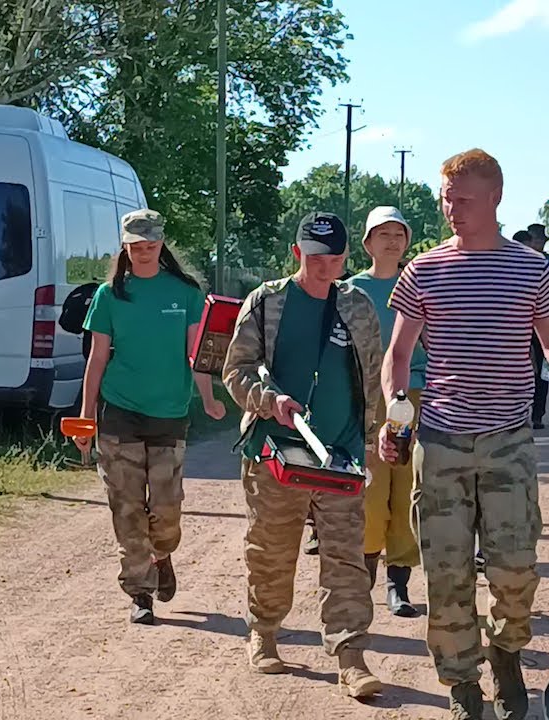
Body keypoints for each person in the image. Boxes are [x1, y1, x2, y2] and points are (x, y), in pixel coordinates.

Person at [380, 149, 549, 720]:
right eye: (446, 199)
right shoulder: (424, 270)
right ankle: (462, 687)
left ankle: (506, 652)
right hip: (442, 441)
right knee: (446, 571)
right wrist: (396, 409)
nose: (451, 209)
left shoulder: (532, 270)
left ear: (495, 198)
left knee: (515, 567)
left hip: (507, 441)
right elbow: (399, 353)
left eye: (463, 200)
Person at [222, 211, 385, 698]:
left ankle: (351, 655)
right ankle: (264, 632)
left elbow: (372, 378)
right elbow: (236, 371)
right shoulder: (267, 302)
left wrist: (372, 437)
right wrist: (268, 401)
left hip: (340, 454)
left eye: (334, 258)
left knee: (346, 560)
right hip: (275, 454)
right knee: (271, 551)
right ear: (298, 254)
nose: (325, 266)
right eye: (315, 258)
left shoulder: (358, 306)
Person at [76, 209, 227, 625]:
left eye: (151, 247)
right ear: (124, 248)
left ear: (162, 245)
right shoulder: (110, 295)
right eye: (136, 248)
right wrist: (86, 416)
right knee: (126, 508)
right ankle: (139, 592)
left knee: (166, 510)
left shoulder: (185, 293)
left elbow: (197, 355)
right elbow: (97, 358)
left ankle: (162, 555)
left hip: (169, 412)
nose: (143, 254)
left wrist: (210, 400)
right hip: (119, 411)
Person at [346, 205, 429, 619]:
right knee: (370, 488)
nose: (392, 241)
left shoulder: (418, 284)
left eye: (399, 234)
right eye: (383, 234)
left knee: (408, 486)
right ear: (367, 243)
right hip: (366, 398)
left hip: (412, 393)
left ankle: (400, 584)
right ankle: (364, 579)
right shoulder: (349, 291)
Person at [515, 225, 549, 429]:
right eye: (538, 241)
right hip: (519, 326)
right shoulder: (512, 264)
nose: (540, 244)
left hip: (540, 326)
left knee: (542, 372)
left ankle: (537, 414)